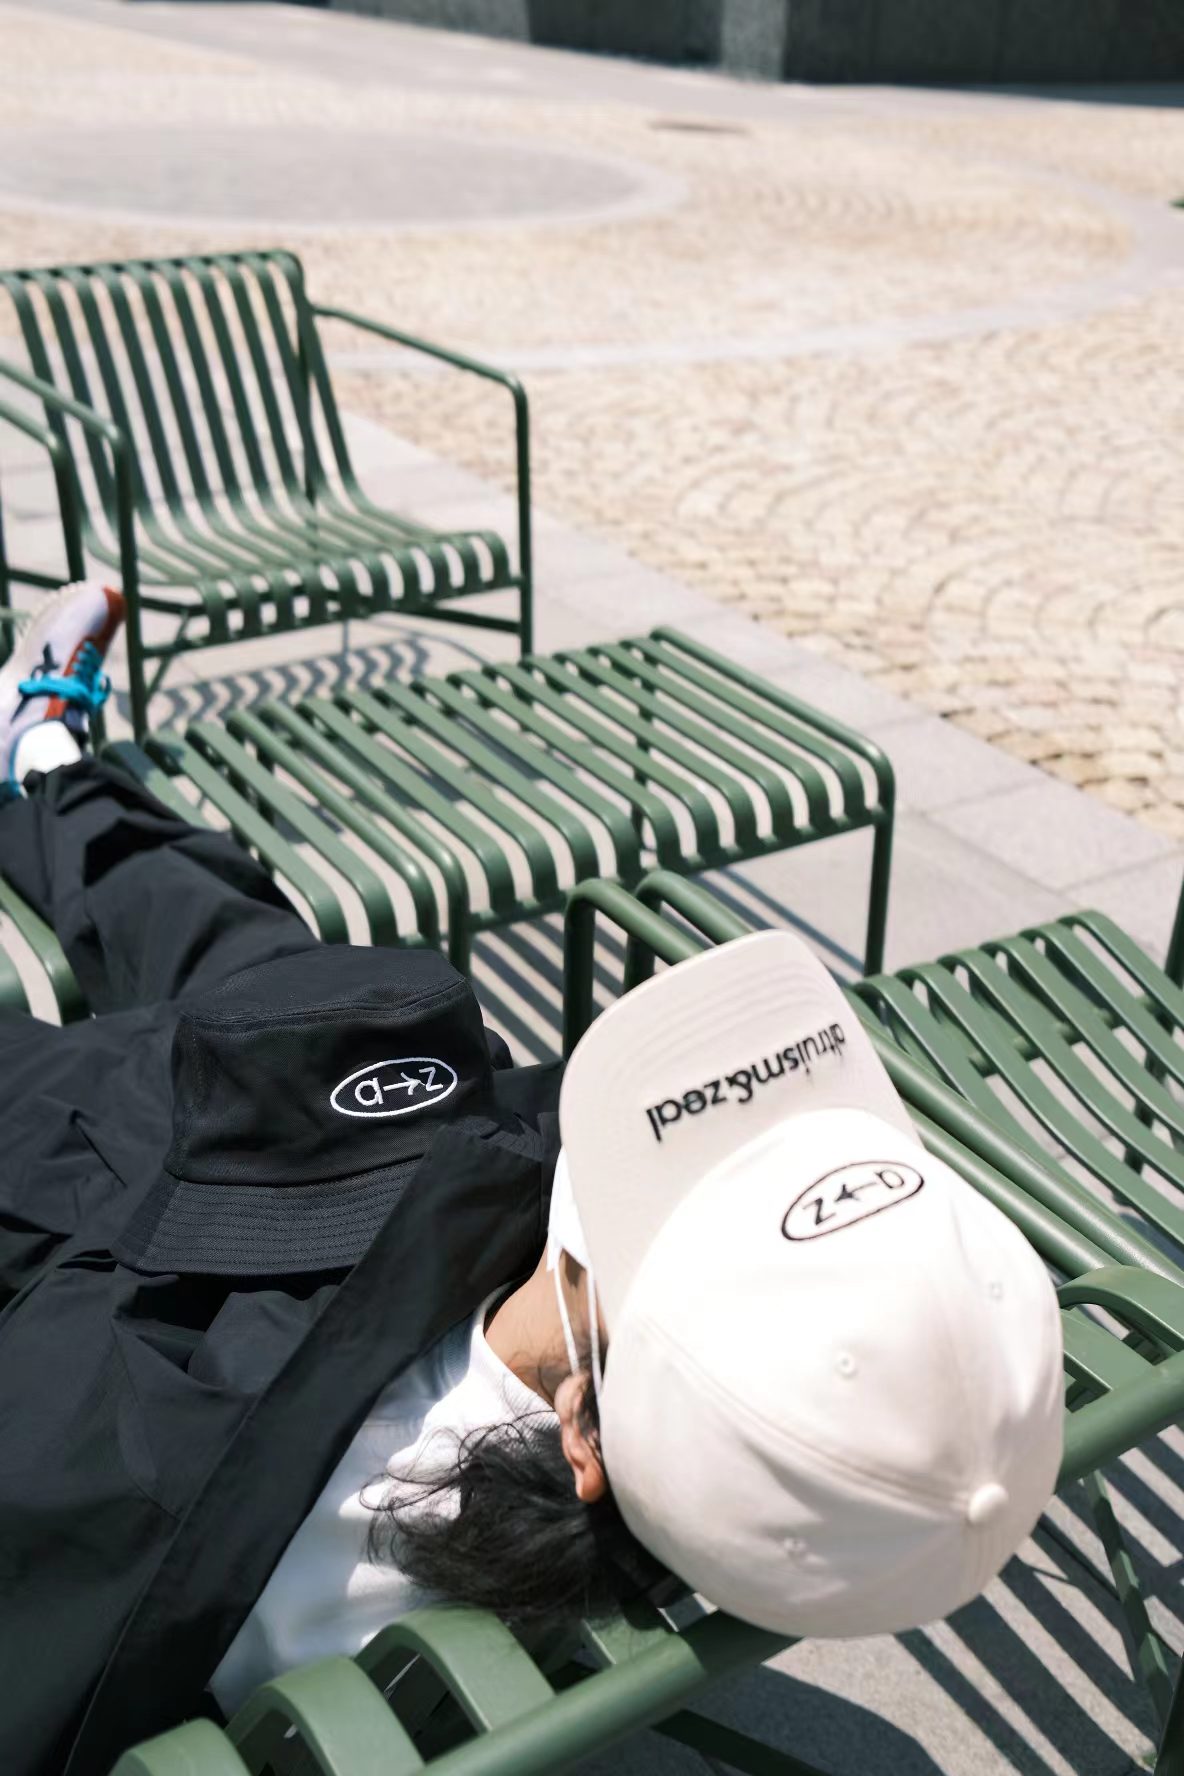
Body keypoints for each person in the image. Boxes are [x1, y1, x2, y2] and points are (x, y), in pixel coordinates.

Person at [0, 585, 1066, 1776]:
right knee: (259, 953)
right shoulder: (730, 1502)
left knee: (260, 968)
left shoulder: (163, 1430)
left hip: (181, 1193)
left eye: (663, 1191)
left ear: (585, 1430)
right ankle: (49, 763)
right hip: (380, 1182)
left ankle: (47, 763)